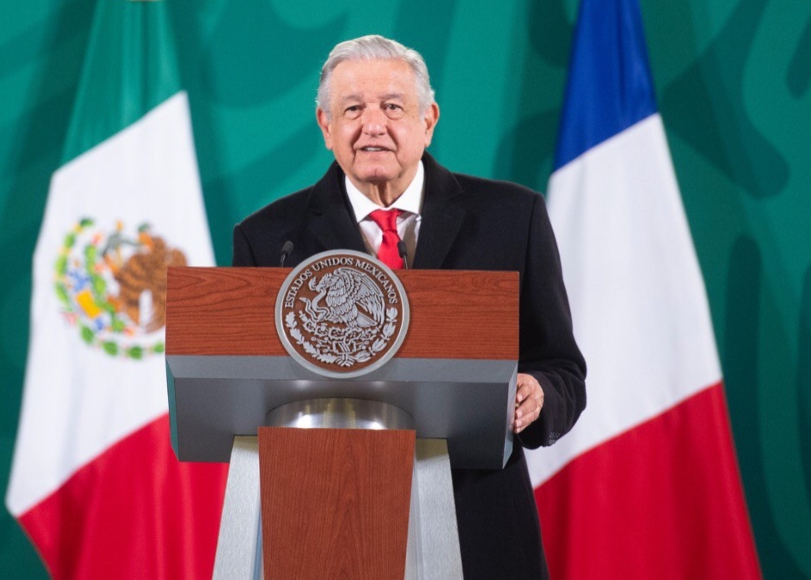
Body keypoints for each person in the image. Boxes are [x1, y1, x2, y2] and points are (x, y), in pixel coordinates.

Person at [232, 34, 586, 578]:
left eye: (392, 107)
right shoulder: (269, 240)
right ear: (326, 126)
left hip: (479, 522)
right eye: (353, 109)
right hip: (325, 524)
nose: (373, 125)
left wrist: (538, 393)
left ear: (428, 120)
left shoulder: (513, 219)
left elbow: (562, 368)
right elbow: (244, 387)